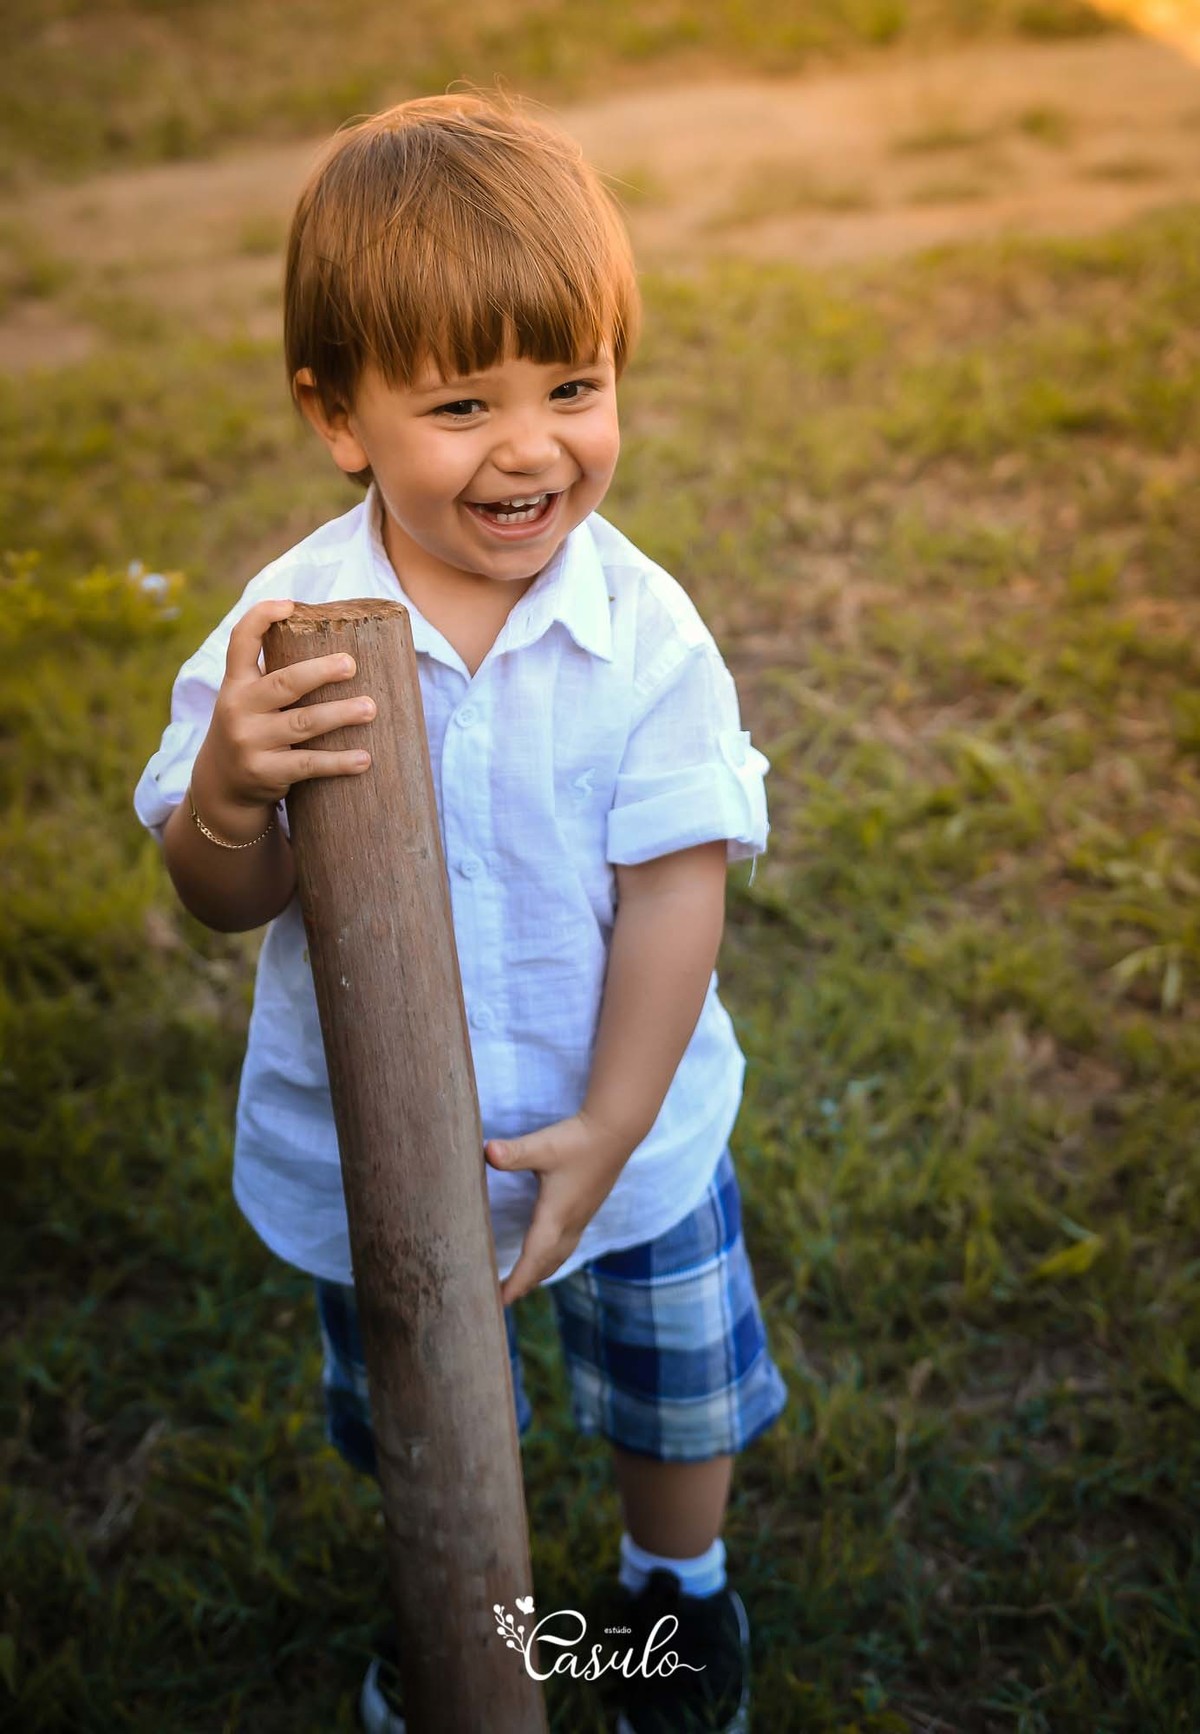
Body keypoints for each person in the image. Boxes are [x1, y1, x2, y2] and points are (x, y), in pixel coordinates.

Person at [133, 92, 787, 1734]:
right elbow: (221, 893)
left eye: (575, 385)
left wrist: (613, 1123)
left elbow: (675, 891)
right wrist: (232, 790)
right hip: (383, 1153)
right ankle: (469, 1626)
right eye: (461, 401)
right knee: (430, 1413)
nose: (531, 444)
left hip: (614, 1117)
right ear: (337, 415)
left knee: (671, 1383)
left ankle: (672, 1599)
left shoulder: (641, 632)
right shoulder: (287, 636)